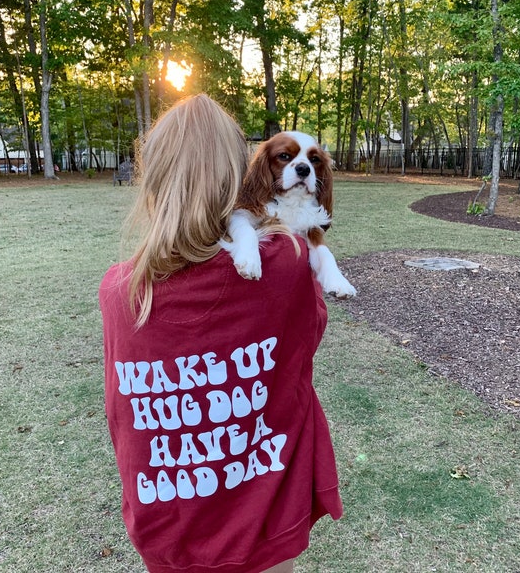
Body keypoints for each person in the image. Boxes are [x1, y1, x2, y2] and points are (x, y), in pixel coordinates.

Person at [99, 94, 342, 573]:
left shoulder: (118, 290)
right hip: (265, 521)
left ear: (152, 183)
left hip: (167, 530)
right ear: (241, 178)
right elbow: (305, 341)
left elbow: (122, 418)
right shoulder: (286, 263)